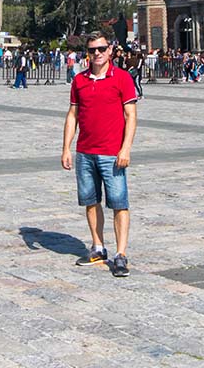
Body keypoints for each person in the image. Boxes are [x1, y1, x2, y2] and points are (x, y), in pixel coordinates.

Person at [62, 32, 138, 278]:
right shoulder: (80, 80)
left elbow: (131, 117)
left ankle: (121, 254)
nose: (97, 53)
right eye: (92, 49)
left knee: (119, 203)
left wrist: (125, 148)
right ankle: (98, 247)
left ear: (110, 50)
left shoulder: (123, 78)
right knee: (90, 201)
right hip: (85, 152)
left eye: (101, 49)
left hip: (111, 153)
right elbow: (72, 115)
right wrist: (66, 148)